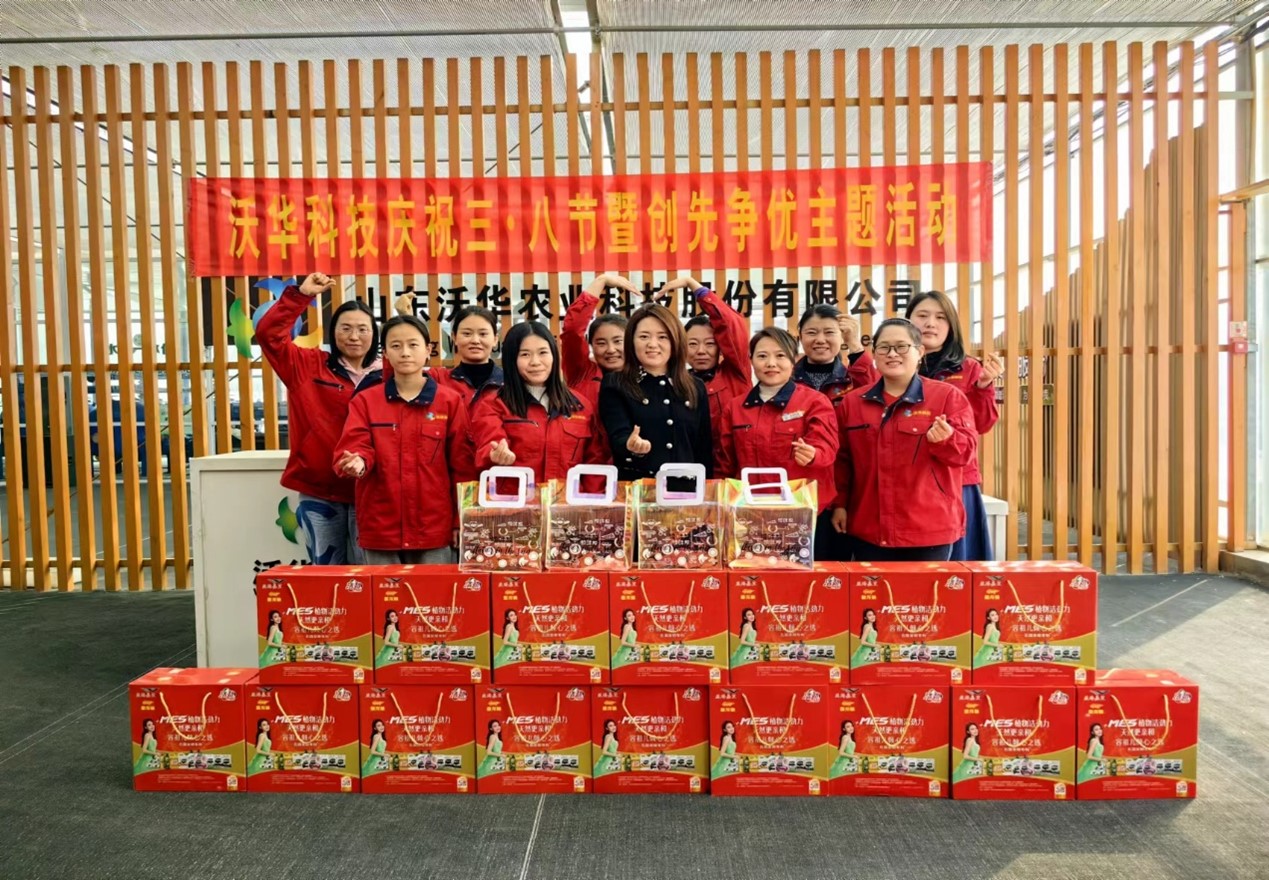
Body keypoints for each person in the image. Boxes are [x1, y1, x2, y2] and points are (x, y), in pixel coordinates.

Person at [256, 272, 382, 564]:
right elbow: (269, 336)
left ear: (374, 334)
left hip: (373, 491)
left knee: (369, 573)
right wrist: (301, 295)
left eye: (362, 329)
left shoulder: (389, 374)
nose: (354, 336)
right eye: (345, 328)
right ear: (332, 332)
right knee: (327, 572)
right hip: (321, 491)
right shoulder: (307, 365)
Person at [831, 318, 977, 561]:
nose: (892, 354)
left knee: (928, 589)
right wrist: (840, 504)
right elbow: (841, 461)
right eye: (884, 347)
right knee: (872, 588)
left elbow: (966, 454)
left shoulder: (947, 397)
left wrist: (947, 440)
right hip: (869, 527)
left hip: (929, 530)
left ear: (920, 352)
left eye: (901, 346)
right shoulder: (853, 403)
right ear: (874, 353)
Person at [333, 316, 473, 564]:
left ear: (428, 350)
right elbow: (355, 445)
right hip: (380, 528)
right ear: (385, 353)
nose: (405, 352)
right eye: (396, 346)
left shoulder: (449, 402)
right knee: (384, 591)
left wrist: (459, 522)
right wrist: (357, 461)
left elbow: (462, 468)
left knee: (435, 590)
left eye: (413, 345)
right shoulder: (366, 401)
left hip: (434, 529)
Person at [715, 327, 841, 559]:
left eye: (780, 355)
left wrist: (813, 453)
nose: (771, 363)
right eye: (762, 356)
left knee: (804, 578)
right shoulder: (735, 408)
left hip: (803, 513)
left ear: (794, 360)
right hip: (750, 513)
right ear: (751, 360)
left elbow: (827, 446)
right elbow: (725, 463)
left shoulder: (814, 402)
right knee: (754, 576)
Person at [906, 290, 1004, 560]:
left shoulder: (969, 367)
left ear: (951, 326)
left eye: (940, 317)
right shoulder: (896, 364)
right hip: (909, 478)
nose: (930, 323)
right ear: (908, 320)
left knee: (957, 564)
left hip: (956, 479)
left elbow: (982, 425)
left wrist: (983, 386)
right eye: (922, 315)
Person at [469, 321, 607, 481]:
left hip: (567, 497)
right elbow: (489, 444)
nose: (535, 362)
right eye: (525, 354)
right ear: (511, 360)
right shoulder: (493, 404)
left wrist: (589, 497)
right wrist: (494, 455)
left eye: (543, 352)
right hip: (516, 497)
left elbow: (594, 463)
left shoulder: (579, 405)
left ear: (554, 355)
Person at [598, 304, 712, 482]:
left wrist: (708, 489)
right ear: (631, 341)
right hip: (639, 489)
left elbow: (703, 449)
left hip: (687, 490)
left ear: (675, 341)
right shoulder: (616, 383)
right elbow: (618, 435)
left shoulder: (694, 386)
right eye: (644, 336)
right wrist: (631, 446)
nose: (652, 344)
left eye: (662, 337)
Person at [657, 276, 751, 446]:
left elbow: (732, 325)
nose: (701, 351)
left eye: (710, 344)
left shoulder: (736, 373)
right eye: (692, 344)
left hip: (734, 459)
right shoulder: (675, 383)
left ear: (720, 346)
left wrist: (694, 285)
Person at [561, 273, 638, 406]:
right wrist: (601, 281)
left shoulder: (645, 375)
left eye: (618, 341)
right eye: (601, 343)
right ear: (591, 345)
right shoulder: (581, 371)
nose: (611, 350)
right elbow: (572, 330)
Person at [792, 304, 877, 405]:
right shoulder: (787, 378)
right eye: (812, 332)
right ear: (800, 337)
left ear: (842, 337)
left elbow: (874, 395)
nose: (820, 340)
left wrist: (854, 344)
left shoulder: (852, 380)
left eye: (829, 332)